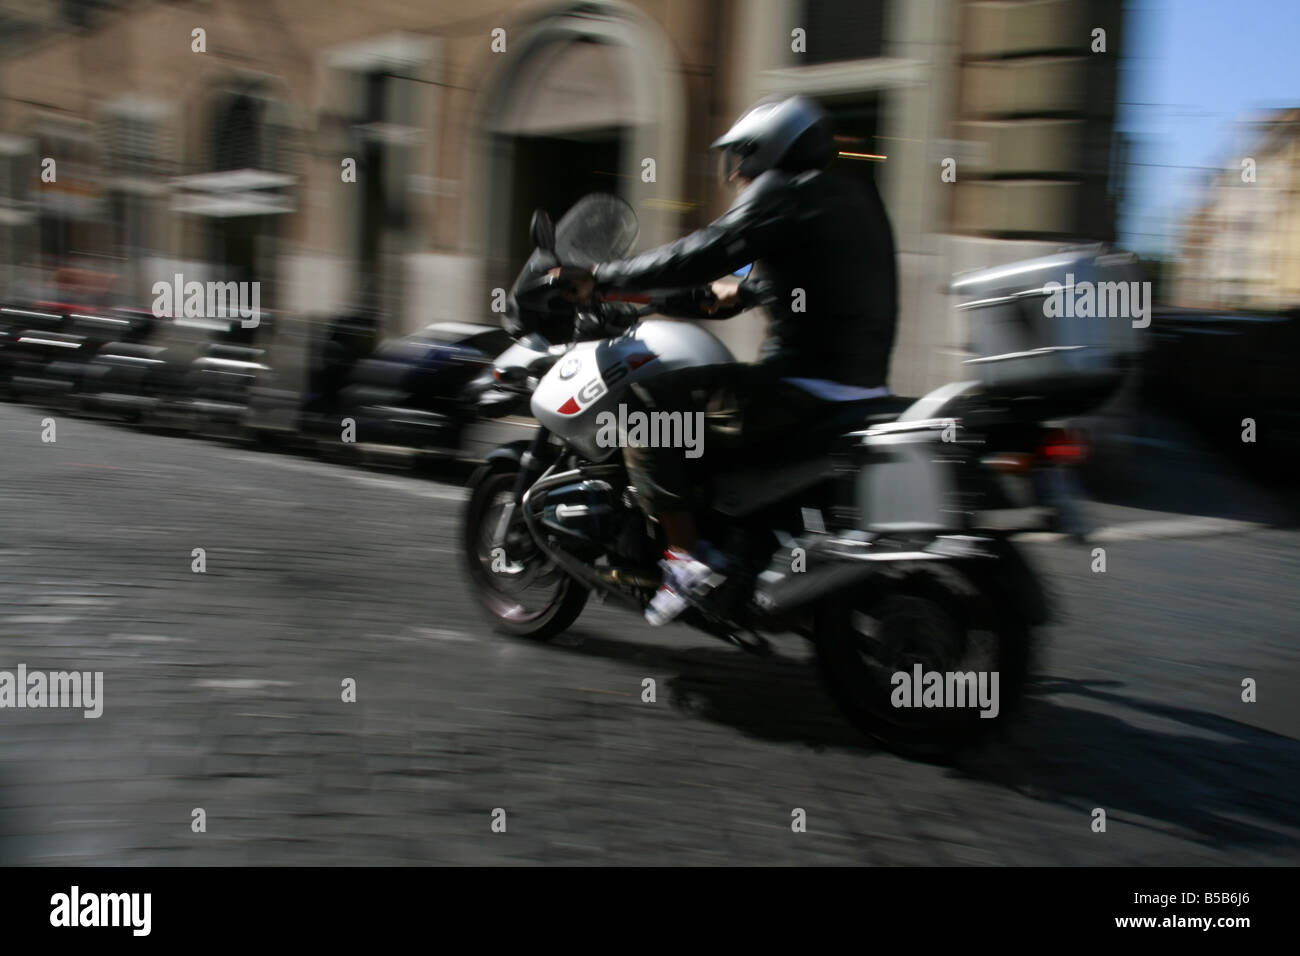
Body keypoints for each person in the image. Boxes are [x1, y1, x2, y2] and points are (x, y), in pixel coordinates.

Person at [552, 95, 899, 625]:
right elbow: (733, 289)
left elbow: (705, 249)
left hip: (801, 389)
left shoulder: (779, 191)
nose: (735, 172)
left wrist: (602, 276)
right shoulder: (845, 196)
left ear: (765, 151)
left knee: (646, 411)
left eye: (740, 156)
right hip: (863, 390)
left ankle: (684, 562)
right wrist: (651, 296)